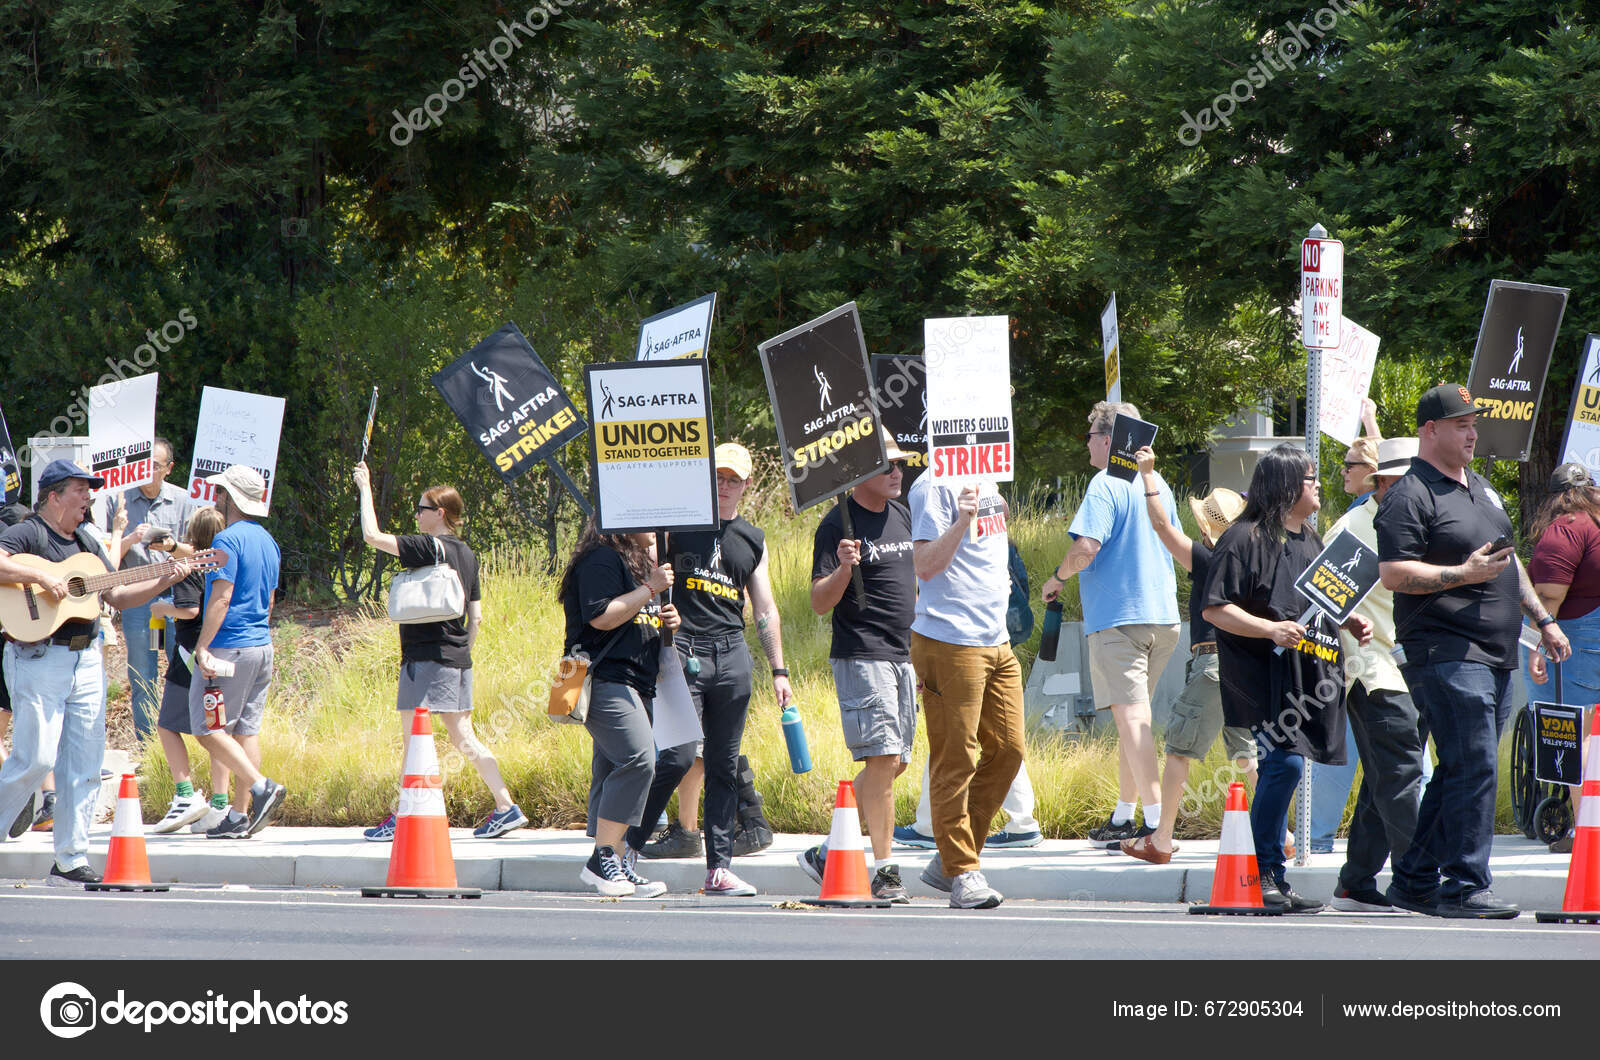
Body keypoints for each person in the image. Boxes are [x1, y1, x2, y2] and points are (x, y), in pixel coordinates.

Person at [1377, 384, 1568, 919]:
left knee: (1461, 768)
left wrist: (1543, 620)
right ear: (1430, 430)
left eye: (1473, 424)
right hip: (1446, 650)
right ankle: (1464, 886)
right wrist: (1462, 574)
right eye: (1460, 424)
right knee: (1476, 763)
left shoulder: (1481, 487)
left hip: (1496, 651)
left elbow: (1510, 561)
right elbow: (1393, 572)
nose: (1471, 434)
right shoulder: (1410, 494)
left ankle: (1413, 881)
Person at [0, 460, 192, 885]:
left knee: (84, 763)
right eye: (80, 490)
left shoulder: (86, 541)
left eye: (90, 490)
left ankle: (70, 859)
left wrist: (165, 579)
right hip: (39, 655)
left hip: (86, 657)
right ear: (54, 496)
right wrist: (41, 576)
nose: (89, 498)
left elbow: (118, 594)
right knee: (36, 759)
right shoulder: (30, 532)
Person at [1202, 443, 1372, 913]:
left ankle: (1273, 875)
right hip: (1262, 677)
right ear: (1286, 485)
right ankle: (1258, 872)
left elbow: (1319, 602)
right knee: (1284, 765)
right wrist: (1269, 629)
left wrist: (1348, 620)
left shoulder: (1311, 539)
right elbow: (1216, 608)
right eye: (1310, 478)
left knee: (1287, 766)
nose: (1317, 485)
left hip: (1309, 674)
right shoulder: (1242, 538)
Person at [626, 444, 789, 897]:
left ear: (747, 485)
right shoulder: (675, 525)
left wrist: (779, 670)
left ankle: (718, 868)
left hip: (732, 653)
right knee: (677, 756)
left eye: (733, 479)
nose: (724, 486)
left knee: (723, 764)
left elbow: (765, 609)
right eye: (717, 477)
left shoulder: (753, 538)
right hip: (683, 649)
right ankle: (627, 850)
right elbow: (640, 556)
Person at [352, 462, 527, 841]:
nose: (416, 515)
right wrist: (460, 652)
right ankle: (505, 806)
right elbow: (476, 618)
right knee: (463, 736)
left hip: (425, 657)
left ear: (440, 513)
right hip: (458, 658)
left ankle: (404, 817)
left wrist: (365, 487)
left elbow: (371, 536)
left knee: (413, 738)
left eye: (421, 509)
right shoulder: (467, 554)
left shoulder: (428, 547)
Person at [1042, 402, 1181, 846]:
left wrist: (1058, 577)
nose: (1086, 445)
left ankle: (1156, 824)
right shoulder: (1157, 483)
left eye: (1089, 437)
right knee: (1133, 719)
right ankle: (1124, 817)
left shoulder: (1105, 483)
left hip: (1120, 620)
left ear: (1107, 440)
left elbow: (1086, 547)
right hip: (1164, 618)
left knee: (1133, 720)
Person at [1119, 445, 1253, 864]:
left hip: (1211, 661)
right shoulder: (1250, 559)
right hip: (1243, 666)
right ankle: (1280, 835)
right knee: (1246, 754)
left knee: (1180, 750)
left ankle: (1160, 840)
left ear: (1208, 528)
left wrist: (1148, 476)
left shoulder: (1210, 558)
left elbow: (1162, 526)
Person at [802, 442, 918, 901]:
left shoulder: (902, 514)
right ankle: (886, 871)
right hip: (862, 653)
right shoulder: (837, 524)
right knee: (884, 758)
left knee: (897, 762)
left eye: (901, 464)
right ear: (859, 471)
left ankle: (828, 850)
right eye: (887, 464)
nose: (897, 471)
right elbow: (818, 602)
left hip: (903, 654)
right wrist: (844, 570)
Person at [907, 470, 1023, 909]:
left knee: (1009, 750)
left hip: (996, 639)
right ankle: (962, 871)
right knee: (956, 758)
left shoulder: (986, 475)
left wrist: (994, 509)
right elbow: (924, 564)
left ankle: (952, 857)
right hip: (950, 639)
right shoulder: (931, 486)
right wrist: (962, 521)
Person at [1324, 437, 1430, 911]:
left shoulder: (1419, 522)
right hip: (1373, 671)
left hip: (1413, 670)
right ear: (1385, 484)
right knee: (1402, 775)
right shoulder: (1351, 529)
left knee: (1384, 779)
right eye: (1413, 481)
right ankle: (1418, 881)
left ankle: (1356, 883)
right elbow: (1320, 601)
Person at [559, 520, 679, 897]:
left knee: (615, 766)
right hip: (604, 678)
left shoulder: (636, 563)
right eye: (648, 518)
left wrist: (668, 621)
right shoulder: (601, 558)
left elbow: (634, 619)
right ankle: (602, 860)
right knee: (639, 759)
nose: (657, 528)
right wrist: (650, 589)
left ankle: (618, 861)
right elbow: (601, 616)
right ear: (623, 522)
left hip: (636, 682)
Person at [189, 465, 290, 839]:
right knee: (246, 731)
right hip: (261, 646)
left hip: (229, 647)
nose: (216, 498)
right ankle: (239, 815)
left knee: (207, 729)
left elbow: (222, 597)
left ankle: (262, 788)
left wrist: (203, 646)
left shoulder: (226, 540)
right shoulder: (269, 541)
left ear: (231, 498)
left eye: (220, 492)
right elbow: (270, 599)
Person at [1308, 431, 1384, 851]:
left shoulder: (1358, 523)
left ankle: (1318, 837)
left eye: (1349, 464)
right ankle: (1317, 837)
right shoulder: (1370, 521)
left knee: (1356, 753)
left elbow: (1320, 591)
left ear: (1371, 472)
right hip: (1368, 662)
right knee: (1397, 758)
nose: (1341, 471)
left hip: (1366, 662)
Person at [1520, 462, 1598, 853]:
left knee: (1570, 734)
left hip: (1576, 640)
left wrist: (1536, 645)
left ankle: (1587, 834)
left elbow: (1548, 594)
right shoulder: (1595, 525)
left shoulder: (1566, 527)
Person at [108, 437, 197, 742]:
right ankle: (147, 746)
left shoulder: (184, 500)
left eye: (155, 465)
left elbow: (195, 552)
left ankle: (184, 740)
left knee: (181, 666)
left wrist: (171, 546)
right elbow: (106, 556)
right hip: (137, 598)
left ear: (169, 468)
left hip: (173, 595)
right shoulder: (119, 501)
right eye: (143, 464)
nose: (147, 470)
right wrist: (130, 538)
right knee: (142, 671)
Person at [148, 506, 227, 832]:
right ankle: (220, 804)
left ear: (192, 533)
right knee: (217, 728)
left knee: (168, 723)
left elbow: (190, 609)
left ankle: (185, 795)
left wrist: (162, 607)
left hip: (189, 652)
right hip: (221, 649)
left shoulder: (188, 565)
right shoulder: (226, 562)